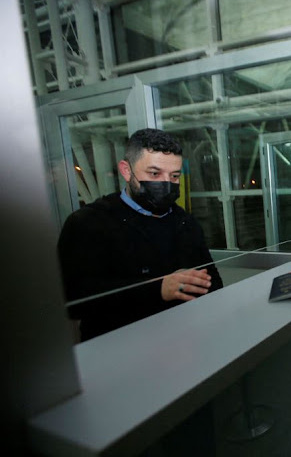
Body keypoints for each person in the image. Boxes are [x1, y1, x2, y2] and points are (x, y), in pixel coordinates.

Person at [57, 128, 223, 342]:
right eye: (154, 174)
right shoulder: (88, 223)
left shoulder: (185, 221)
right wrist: (158, 290)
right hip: (116, 351)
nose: (166, 184)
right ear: (126, 171)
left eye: (174, 176)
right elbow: (74, 301)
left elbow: (212, 281)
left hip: (183, 342)